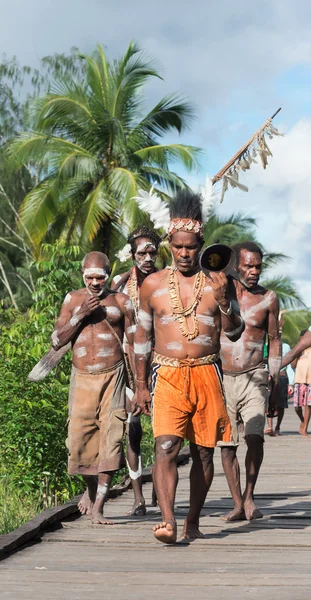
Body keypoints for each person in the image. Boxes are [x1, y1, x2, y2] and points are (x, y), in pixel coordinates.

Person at [133, 189, 244, 544]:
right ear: (169, 242)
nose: (184, 253)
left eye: (191, 246)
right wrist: (140, 385)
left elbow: (236, 331)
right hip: (165, 374)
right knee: (165, 446)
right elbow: (140, 341)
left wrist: (225, 300)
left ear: (202, 244)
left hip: (207, 373)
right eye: (178, 246)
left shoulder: (219, 284)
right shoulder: (152, 285)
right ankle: (167, 521)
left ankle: (192, 521)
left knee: (203, 453)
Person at [51, 251, 135, 524]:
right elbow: (57, 340)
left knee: (112, 439)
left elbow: (133, 347)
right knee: (79, 442)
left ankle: (99, 506)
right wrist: (80, 315)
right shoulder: (72, 299)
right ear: (82, 274)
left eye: (101, 277)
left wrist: (140, 386)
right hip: (82, 377)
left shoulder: (122, 302)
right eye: (90, 277)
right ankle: (90, 489)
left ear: (108, 276)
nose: (95, 283)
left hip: (114, 375)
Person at [219, 242, 281, 522]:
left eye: (258, 266)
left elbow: (275, 339)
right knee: (227, 444)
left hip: (255, 375)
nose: (254, 271)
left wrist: (276, 378)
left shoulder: (268, 298)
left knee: (255, 437)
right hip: (222, 377)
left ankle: (249, 497)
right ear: (235, 265)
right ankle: (236, 503)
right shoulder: (219, 294)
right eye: (248, 265)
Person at [111, 226, 162, 517]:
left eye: (152, 252)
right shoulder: (118, 285)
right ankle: (138, 497)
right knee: (133, 430)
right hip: (129, 365)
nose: (147, 257)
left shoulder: (166, 282)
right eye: (141, 252)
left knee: (163, 430)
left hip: (160, 363)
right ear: (132, 254)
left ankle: (160, 485)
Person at [291, 330, 311, 437]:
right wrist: (297, 353)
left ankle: (305, 428)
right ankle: (302, 420)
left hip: (310, 381)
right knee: (297, 406)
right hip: (299, 381)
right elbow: (293, 366)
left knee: (308, 405)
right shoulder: (299, 350)